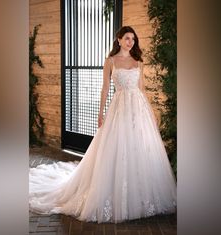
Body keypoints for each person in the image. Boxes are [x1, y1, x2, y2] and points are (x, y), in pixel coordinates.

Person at [29, 26, 177, 223]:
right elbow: (105, 88)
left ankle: (140, 193)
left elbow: (142, 88)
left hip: (137, 108)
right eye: (126, 38)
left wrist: (149, 112)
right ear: (118, 40)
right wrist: (100, 113)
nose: (130, 42)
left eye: (133, 39)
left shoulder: (138, 61)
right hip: (118, 107)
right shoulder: (111, 61)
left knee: (139, 147)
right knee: (116, 147)